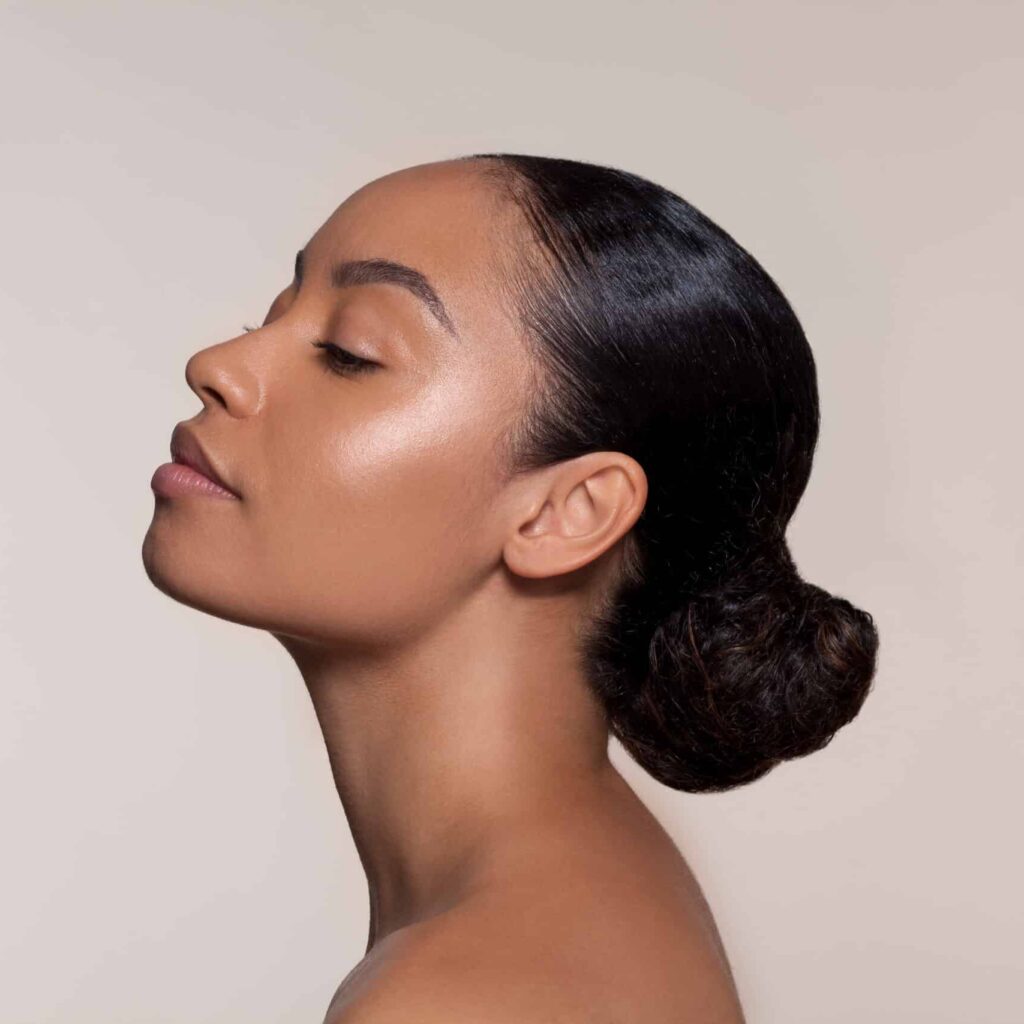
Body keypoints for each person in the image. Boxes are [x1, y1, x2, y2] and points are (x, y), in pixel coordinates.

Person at [142, 153, 879, 1023]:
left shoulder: (455, 1001)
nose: (217, 364)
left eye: (349, 353)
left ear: (566, 512)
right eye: (275, 312)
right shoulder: (595, 896)